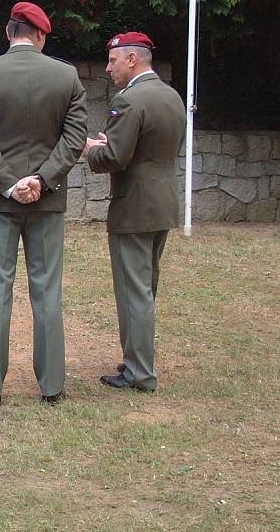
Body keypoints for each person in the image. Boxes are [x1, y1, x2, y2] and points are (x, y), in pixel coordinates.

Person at [0, 2, 88, 407]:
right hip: (47, 200)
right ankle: (52, 386)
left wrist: (10, 183)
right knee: (47, 290)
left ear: (8, 31)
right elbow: (74, 139)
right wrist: (42, 179)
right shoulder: (66, 76)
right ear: (41, 35)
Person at [82, 31, 186, 392]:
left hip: (134, 206)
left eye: (112, 60)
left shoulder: (129, 101)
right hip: (163, 202)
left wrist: (89, 149)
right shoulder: (171, 96)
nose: (108, 67)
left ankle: (139, 372)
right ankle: (137, 358)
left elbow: (114, 158)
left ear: (132, 59)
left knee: (134, 291)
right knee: (146, 287)